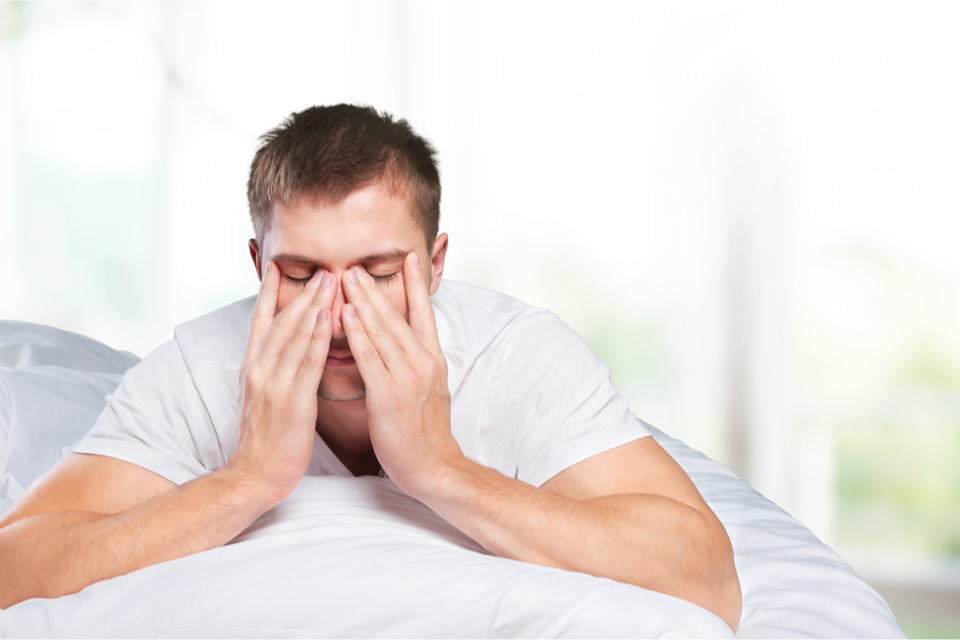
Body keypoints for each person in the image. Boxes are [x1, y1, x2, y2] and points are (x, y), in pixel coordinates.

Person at [0, 104, 741, 629]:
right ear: (259, 267)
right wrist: (247, 480)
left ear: (436, 264)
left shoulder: (518, 354)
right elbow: (16, 569)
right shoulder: (200, 367)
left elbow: (706, 577)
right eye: (301, 273)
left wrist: (442, 471)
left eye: (380, 273)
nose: (340, 314)